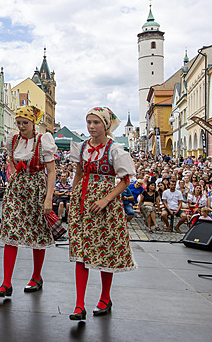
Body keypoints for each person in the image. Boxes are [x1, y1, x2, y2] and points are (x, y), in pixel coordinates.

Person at [68, 107, 136, 320]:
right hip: (83, 202)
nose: (91, 126)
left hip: (105, 203)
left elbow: (126, 180)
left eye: (96, 122)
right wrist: (73, 197)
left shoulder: (115, 149)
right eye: (89, 122)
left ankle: (105, 297)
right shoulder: (82, 147)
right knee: (81, 252)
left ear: (105, 125)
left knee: (105, 251)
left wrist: (106, 199)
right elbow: (79, 173)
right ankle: (79, 304)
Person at [0, 105, 57, 297]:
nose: (21, 126)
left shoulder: (42, 140)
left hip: (36, 188)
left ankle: (36, 276)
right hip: (17, 188)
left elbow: (51, 172)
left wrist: (48, 199)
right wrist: (13, 171)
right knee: (10, 231)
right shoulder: (13, 139)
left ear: (33, 123)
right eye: (19, 122)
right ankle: (6, 283)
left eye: (25, 123)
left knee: (37, 232)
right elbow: (11, 160)